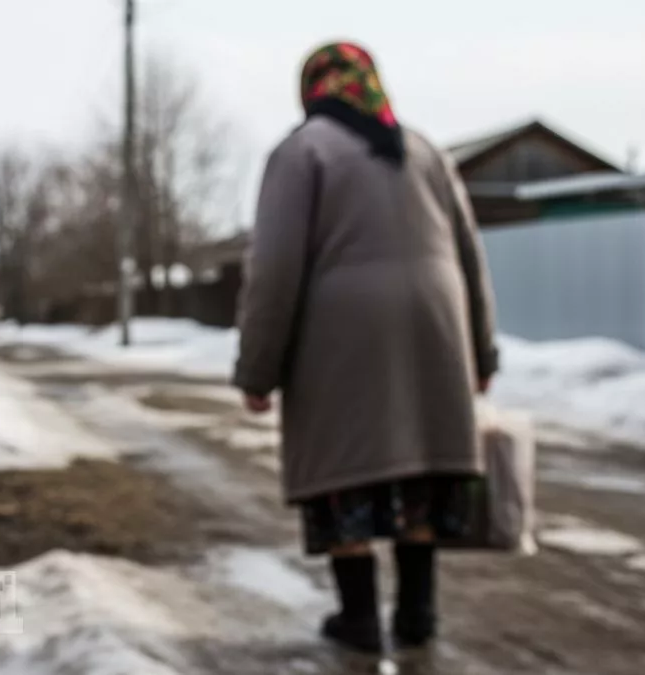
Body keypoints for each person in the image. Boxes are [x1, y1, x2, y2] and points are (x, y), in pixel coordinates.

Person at [233, 41, 499, 654]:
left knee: (345, 466)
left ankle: (358, 619)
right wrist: (482, 354)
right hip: (437, 325)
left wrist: (257, 370)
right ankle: (417, 612)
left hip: (341, 333)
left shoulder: (302, 151)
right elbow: (470, 256)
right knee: (421, 463)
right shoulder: (425, 150)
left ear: (312, 89)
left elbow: (274, 270)